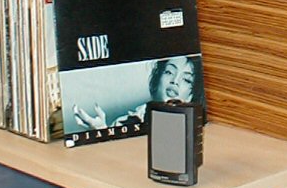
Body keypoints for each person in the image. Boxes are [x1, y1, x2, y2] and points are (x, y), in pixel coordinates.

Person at [71, 55, 204, 132]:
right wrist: (102, 130)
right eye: (169, 72)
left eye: (186, 80)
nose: (175, 81)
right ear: (157, 79)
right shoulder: (126, 123)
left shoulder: (195, 129)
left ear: (192, 95)